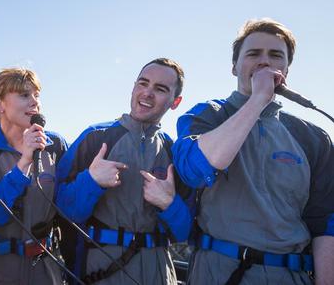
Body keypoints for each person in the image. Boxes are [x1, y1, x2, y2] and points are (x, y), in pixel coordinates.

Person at [173, 18, 334, 285]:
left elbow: (325, 220)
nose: (264, 61)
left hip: (288, 275)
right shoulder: (208, 114)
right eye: (253, 53)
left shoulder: (313, 138)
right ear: (234, 66)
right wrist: (258, 100)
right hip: (216, 273)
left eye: (275, 55)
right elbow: (195, 169)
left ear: (286, 69)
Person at [56, 58, 192, 284]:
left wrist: (169, 204)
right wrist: (92, 181)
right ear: (133, 87)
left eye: (160, 89)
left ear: (175, 102)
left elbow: (183, 232)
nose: (147, 93)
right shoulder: (95, 137)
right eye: (143, 83)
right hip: (100, 270)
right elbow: (62, 211)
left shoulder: (174, 151)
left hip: (158, 272)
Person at [0, 68, 68, 284]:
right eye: (24, 95)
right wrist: (24, 163)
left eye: (36, 95)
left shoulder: (55, 145)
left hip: (45, 269)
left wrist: (93, 181)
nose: (34, 102)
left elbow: (68, 206)